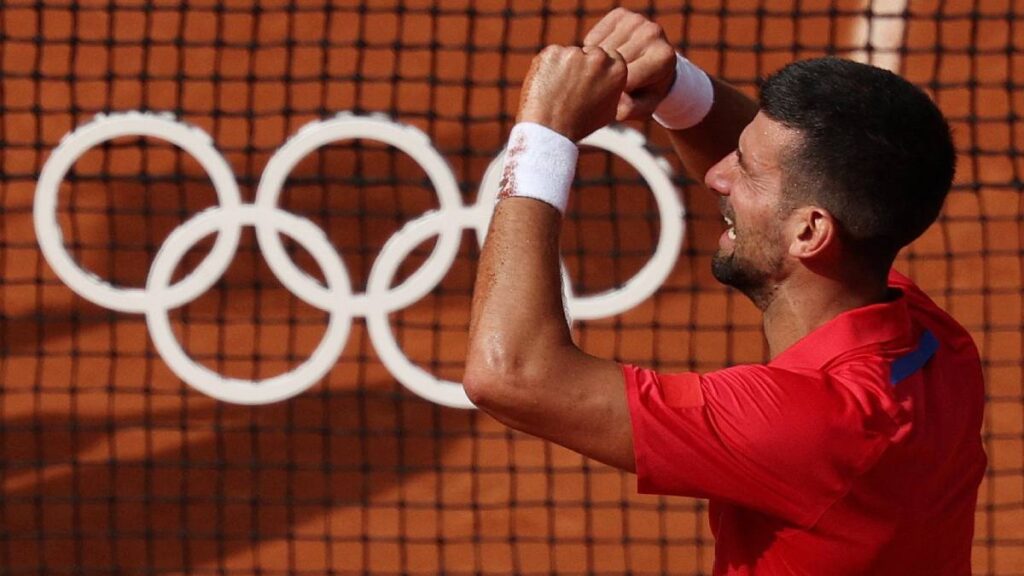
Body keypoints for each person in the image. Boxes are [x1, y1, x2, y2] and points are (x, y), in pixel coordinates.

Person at [462, 7, 987, 575]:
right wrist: (675, 89)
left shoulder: (813, 426)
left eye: (745, 169)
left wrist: (544, 134)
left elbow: (509, 374)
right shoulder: (932, 343)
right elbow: (800, 190)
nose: (717, 176)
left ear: (810, 232)